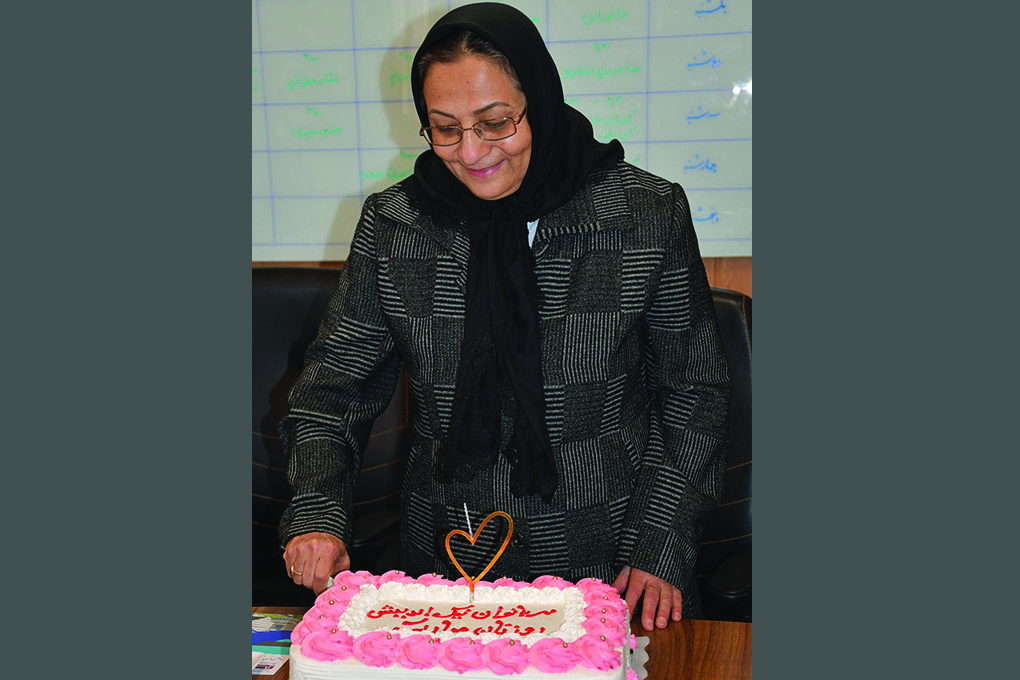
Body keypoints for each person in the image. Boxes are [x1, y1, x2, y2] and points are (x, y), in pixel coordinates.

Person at [278, 2, 731, 629]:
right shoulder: (397, 227)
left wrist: (659, 542)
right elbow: (332, 394)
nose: (471, 152)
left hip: (613, 564)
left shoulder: (642, 215)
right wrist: (318, 514)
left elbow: (693, 394)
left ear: (538, 102)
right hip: (443, 571)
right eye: (444, 128)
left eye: (494, 123)